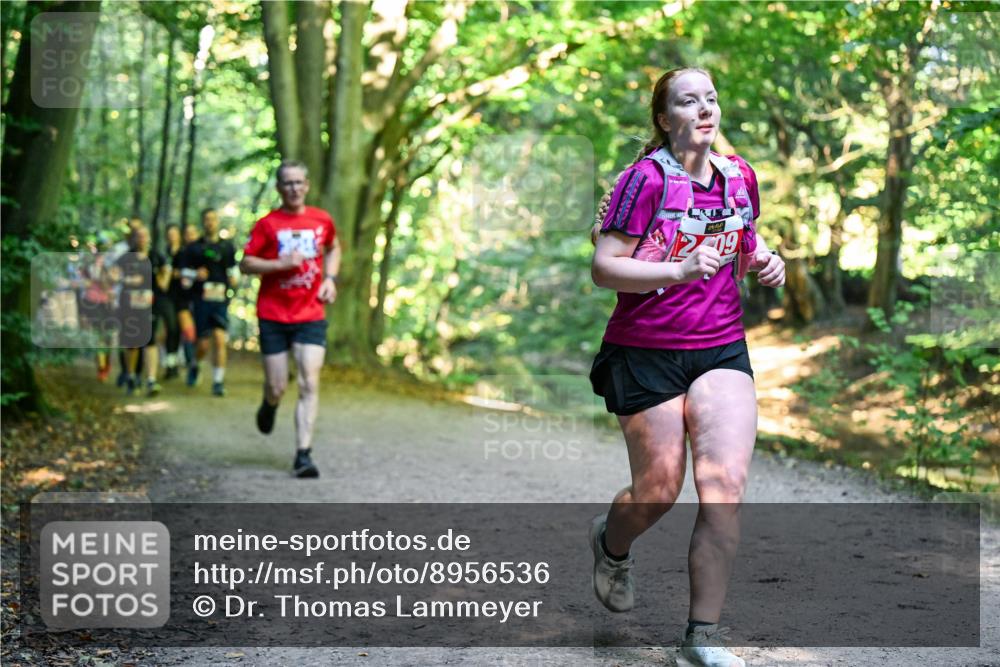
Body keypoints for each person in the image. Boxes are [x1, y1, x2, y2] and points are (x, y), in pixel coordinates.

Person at [588, 67, 785, 667]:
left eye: (711, 98)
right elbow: (604, 267)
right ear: (664, 117)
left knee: (723, 489)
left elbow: (739, 246)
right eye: (687, 100)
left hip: (720, 347)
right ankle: (611, 543)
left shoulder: (740, 177)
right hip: (645, 351)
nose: (704, 108)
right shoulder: (643, 181)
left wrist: (765, 259)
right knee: (658, 490)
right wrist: (676, 270)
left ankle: (701, 639)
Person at [240, 160, 339, 479]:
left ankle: (303, 454)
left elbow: (334, 248)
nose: (294, 188)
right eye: (287, 183)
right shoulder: (267, 224)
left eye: (299, 182)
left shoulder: (322, 220)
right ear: (279, 188)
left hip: (311, 313)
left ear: (307, 185)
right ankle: (269, 403)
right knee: (278, 386)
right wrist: (280, 264)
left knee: (310, 380)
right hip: (273, 314)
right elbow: (246, 264)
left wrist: (330, 279)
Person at [183, 208, 238, 396]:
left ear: (218, 221)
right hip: (201, 300)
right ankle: (195, 364)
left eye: (213, 219)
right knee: (204, 344)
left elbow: (233, 269)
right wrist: (194, 274)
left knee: (220, 339)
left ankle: (218, 381)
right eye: (206, 219)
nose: (210, 222)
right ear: (203, 222)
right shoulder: (193, 248)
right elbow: (182, 273)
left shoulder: (227, 247)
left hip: (220, 299)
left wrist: (234, 279)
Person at [115, 223, 170, 396]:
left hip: (149, 305)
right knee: (132, 342)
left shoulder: (155, 256)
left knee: (150, 341)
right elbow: (113, 276)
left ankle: (151, 380)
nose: (142, 239)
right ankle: (131, 376)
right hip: (129, 305)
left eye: (145, 235)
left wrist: (163, 280)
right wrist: (129, 281)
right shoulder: (125, 257)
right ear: (134, 238)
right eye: (139, 236)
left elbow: (166, 269)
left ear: (149, 238)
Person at [157, 224, 183, 380]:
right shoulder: (163, 254)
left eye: (175, 233)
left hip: (181, 297)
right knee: (171, 327)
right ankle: (169, 363)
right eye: (170, 234)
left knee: (177, 330)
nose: (172, 236)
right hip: (165, 296)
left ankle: (173, 362)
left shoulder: (185, 252)